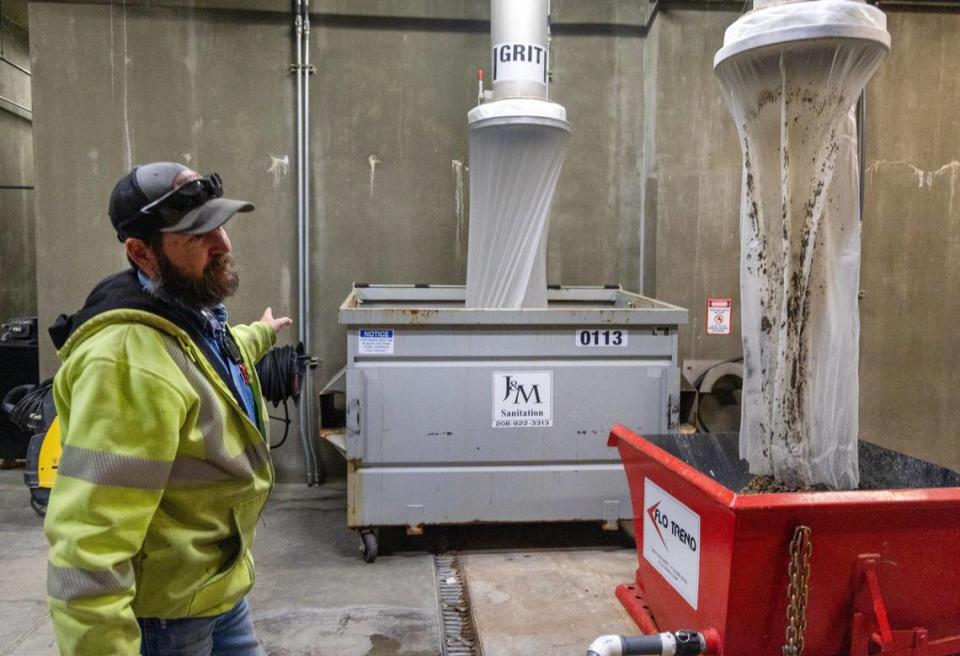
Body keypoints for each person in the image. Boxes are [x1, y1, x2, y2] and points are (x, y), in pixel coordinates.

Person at [44, 162, 292, 655]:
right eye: (198, 235)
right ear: (142, 253)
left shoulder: (184, 311)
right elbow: (90, 546)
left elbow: (208, 359)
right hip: (166, 623)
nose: (222, 243)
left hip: (213, 592)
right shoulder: (127, 364)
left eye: (220, 223)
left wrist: (259, 334)